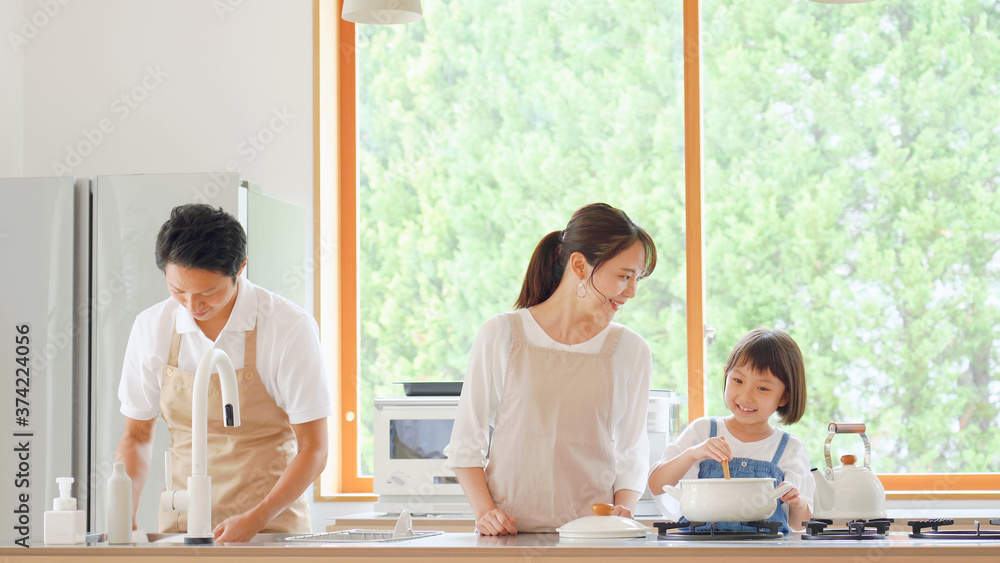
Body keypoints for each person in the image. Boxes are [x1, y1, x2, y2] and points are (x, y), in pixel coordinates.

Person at [114, 204, 331, 542]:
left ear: (240, 269)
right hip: (182, 524)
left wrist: (257, 518)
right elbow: (137, 436)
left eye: (208, 292)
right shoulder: (151, 327)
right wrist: (123, 518)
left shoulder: (288, 327)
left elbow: (314, 449)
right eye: (177, 290)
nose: (192, 305)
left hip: (270, 525)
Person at [443, 202, 658, 535]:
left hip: (594, 540)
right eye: (624, 276)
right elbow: (466, 443)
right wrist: (485, 513)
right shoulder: (502, 335)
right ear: (580, 265)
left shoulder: (631, 350)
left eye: (637, 279)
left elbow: (631, 452)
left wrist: (624, 509)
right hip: (508, 540)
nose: (631, 292)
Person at [647, 328, 812, 533]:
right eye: (738, 380)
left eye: (762, 388)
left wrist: (799, 504)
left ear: (784, 397)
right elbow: (656, 484)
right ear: (726, 374)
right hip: (700, 553)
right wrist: (693, 453)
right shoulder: (704, 430)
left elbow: (800, 525)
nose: (745, 397)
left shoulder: (790, 448)